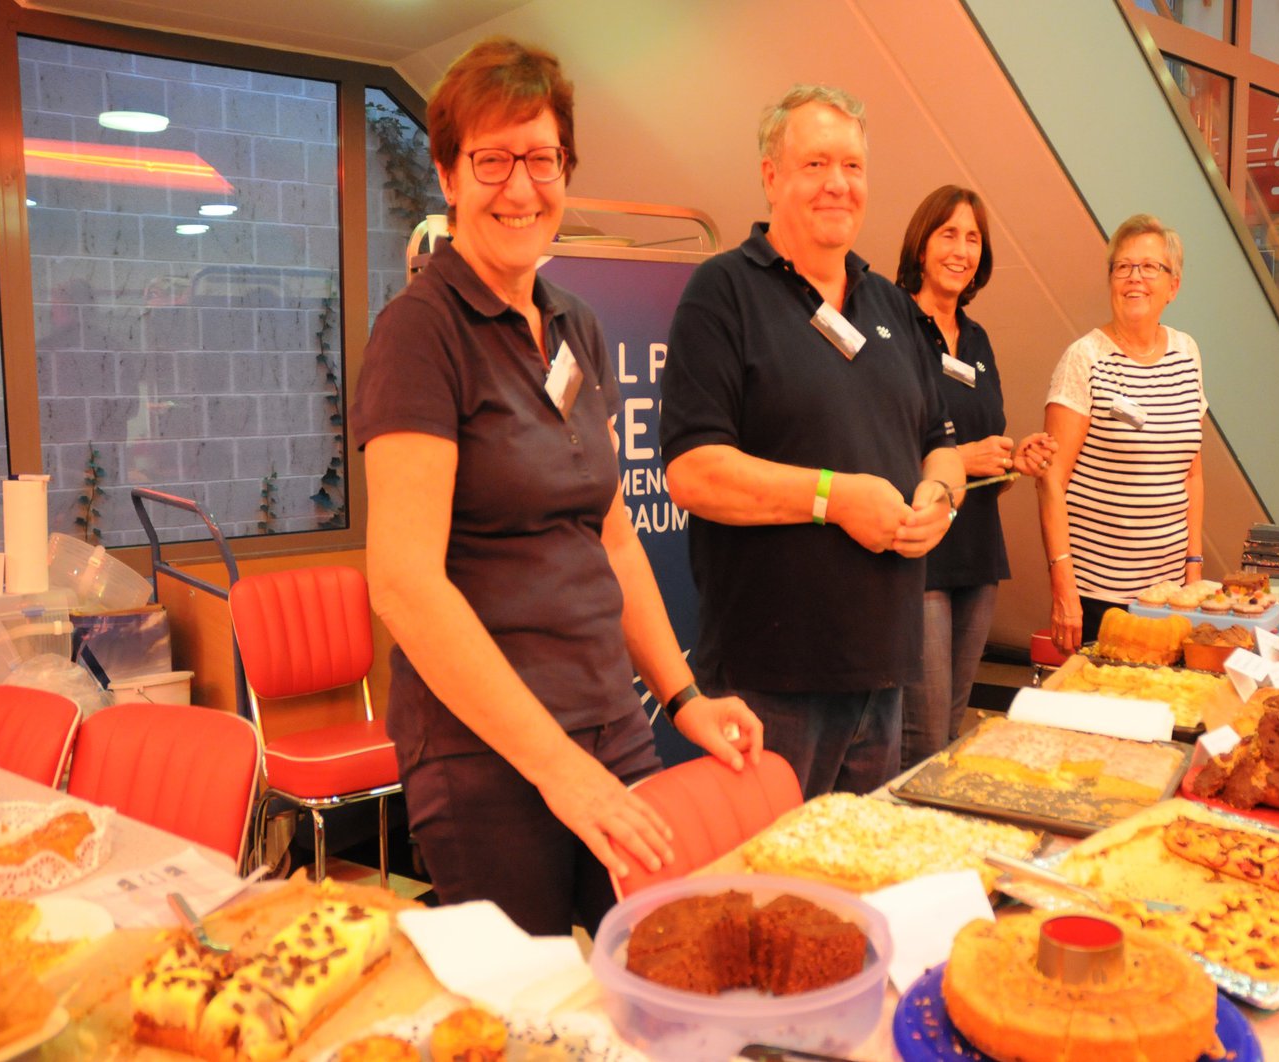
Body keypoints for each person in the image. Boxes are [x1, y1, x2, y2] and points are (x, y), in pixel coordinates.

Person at [353, 36, 762, 936]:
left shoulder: (576, 324)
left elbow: (611, 535)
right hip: (487, 754)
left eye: (541, 159)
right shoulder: (421, 334)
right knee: (527, 1011)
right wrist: (557, 769)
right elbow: (405, 584)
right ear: (448, 175)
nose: (521, 187)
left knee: (656, 963)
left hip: (611, 721)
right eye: (491, 160)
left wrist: (683, 697)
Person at [660, 84, 964, 798]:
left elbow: (940, 442)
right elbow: (694, 473)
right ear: (771, 176)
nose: (838, 184)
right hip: (769, 681)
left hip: (882, 669)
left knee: (852, 893)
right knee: (770, 898)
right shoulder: (722, 292)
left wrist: (941, 499)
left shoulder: (891, 303)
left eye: (853, 166)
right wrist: (835, 497)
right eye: (816, 164)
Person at [894, 185, 1055, 768]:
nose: (961, 250)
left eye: (973, 238)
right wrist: (960, 459)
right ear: (922, 241)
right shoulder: (891, 324)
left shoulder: (979, 339)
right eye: (949, 234)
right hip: (920, 554)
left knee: (954, 727)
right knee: (924, 737)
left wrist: (1012, 460)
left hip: (978, 552)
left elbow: (991, 452)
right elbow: (874, 446)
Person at [1038, 213, 1207, 653]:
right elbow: (1051, 481)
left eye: (1150, 267)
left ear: (1173, 286)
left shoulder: (1187, 353)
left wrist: (1193, 568)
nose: (1136, 279)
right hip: (1098, 598)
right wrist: (1063, 586)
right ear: (1110, 279)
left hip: (1169, 599)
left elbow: (1191, 474)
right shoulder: (1085, 359)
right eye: (1124, 267)